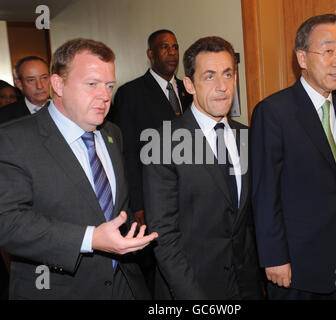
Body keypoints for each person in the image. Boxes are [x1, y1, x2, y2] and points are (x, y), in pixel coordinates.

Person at [0, 38, 158, 300]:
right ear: (58, 84)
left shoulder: (112, 133)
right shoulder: (12, 139)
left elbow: (116, 206)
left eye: (109, 85)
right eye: (92, 84)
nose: (105, 96)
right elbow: (7, 222)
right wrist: (90, 239)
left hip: (125, 286)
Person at [250, 14, 336, 299]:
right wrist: (274, 257)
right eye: (328, 51)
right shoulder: (273, 112)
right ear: (302, 58)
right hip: (299, 265)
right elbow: (265, 193)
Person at [143, 36, 264, 299]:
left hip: (246, 287)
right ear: (189, 84)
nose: (222, 86)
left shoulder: (248, 137)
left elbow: (251, 220)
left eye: (228, 74)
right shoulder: (163, 143)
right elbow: (164, 236)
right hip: (192, 289)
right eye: (209, 76)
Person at [111, 29, 192, 227]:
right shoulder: (130, 94)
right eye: (165, 47)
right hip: (153, 194)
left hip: (190, 192)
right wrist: (137, 203)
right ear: (150, 54)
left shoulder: (190, 91)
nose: (172, 52)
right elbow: (127, 152)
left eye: (175, 47)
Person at [0, 56, 51, 124]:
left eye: (44, 78)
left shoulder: (66, 109)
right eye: (31, 80)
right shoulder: (4, 117)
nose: (39, 86)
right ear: (19, 84)